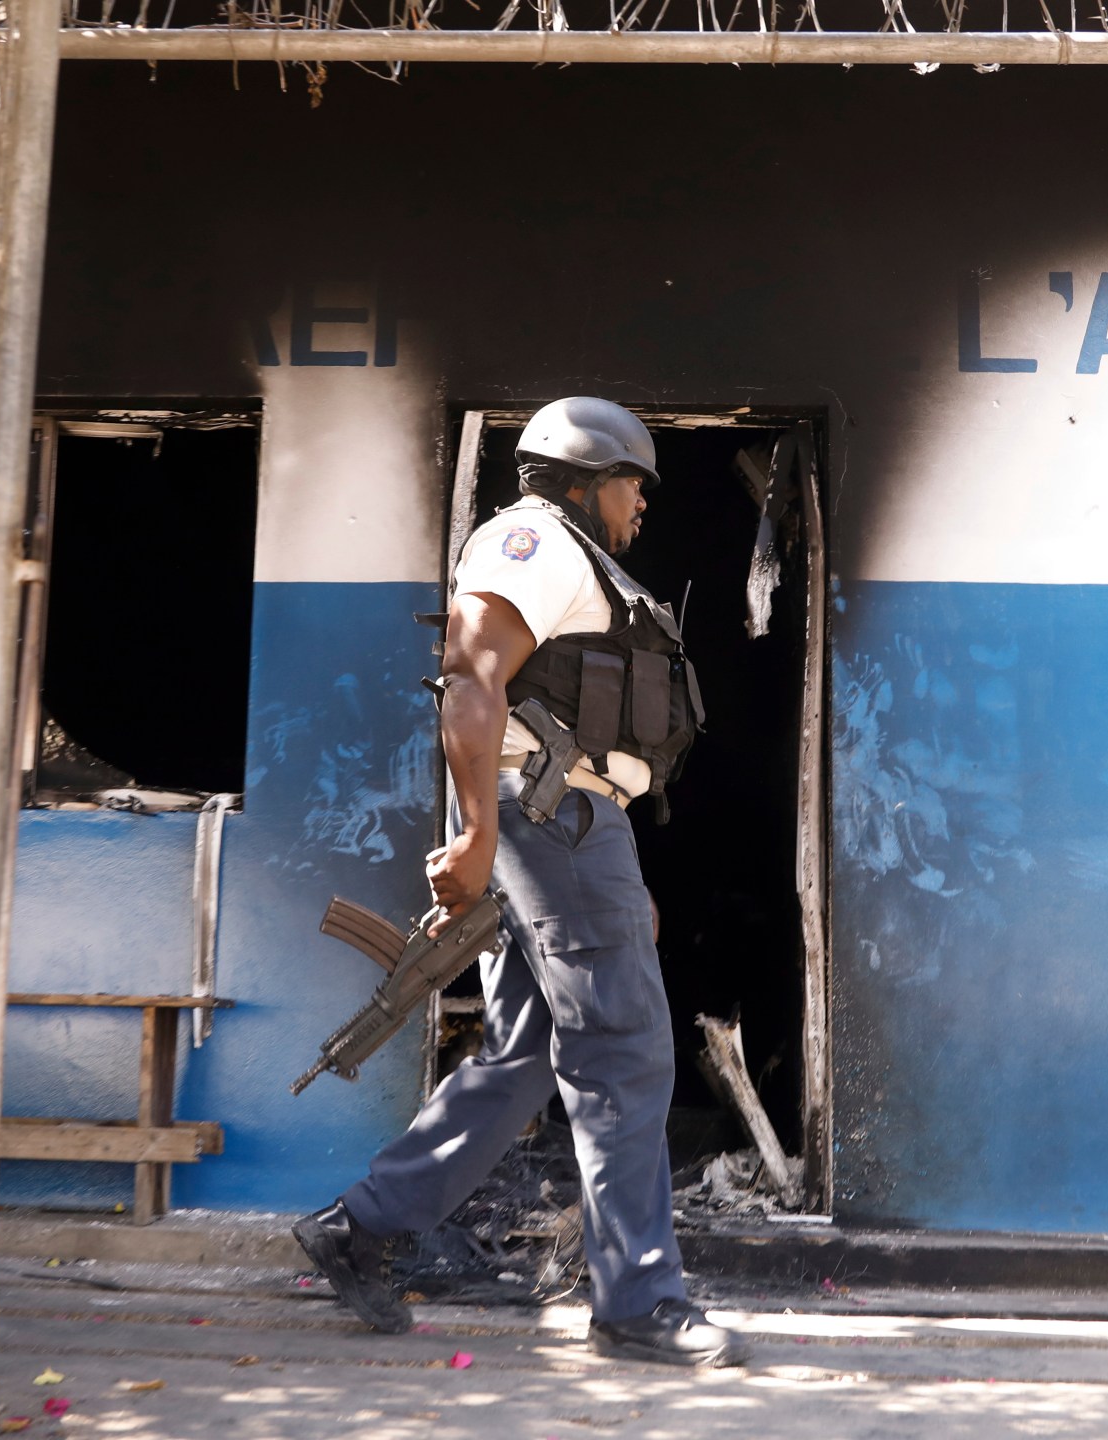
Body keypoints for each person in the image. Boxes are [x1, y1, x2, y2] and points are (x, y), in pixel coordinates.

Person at [294, 397, 744, 1368]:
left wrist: (599, 864)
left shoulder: (583, 563)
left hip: (572, 831)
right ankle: (637, 1301)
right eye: (633, 483)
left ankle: (362, 1227)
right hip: (544, 822)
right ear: (583, 480)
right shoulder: (531, 543)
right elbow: (470, 679)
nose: (643, 505)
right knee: (622, 1051)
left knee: (527, 1054)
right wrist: (478, 839)